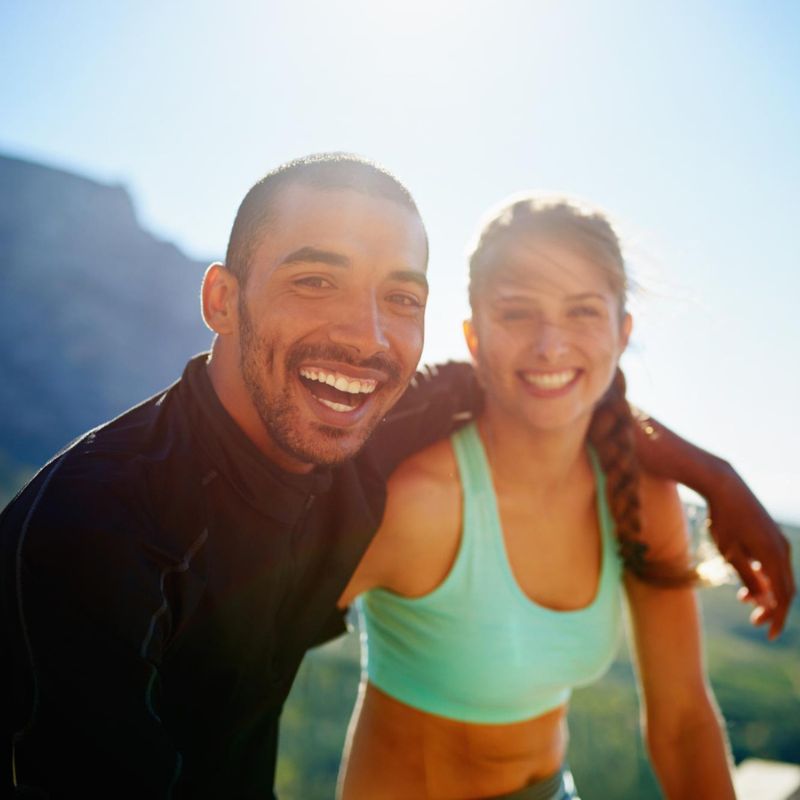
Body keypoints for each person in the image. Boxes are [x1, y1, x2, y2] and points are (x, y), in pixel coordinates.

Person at [0, 155, 792, 800]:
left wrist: (717, 478)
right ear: (222, 300)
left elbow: (549, 393)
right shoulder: (93, 530)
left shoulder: (373, 422)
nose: (364, 336)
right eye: (316, 280)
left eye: (399, 297)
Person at [337, 195, 774, 799]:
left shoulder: (642, 499)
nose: (550, 346)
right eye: (517, 314)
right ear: (474, 336)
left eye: (583, 313)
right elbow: (246, 659)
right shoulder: (420, 501)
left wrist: (715, 475)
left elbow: (683, 723)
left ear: (622, 333)